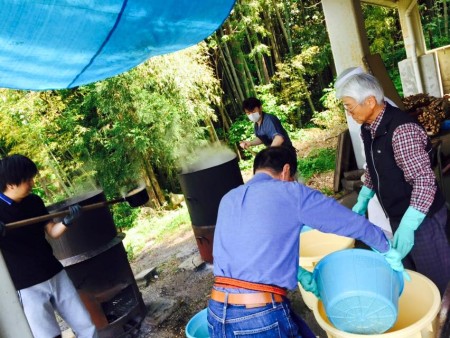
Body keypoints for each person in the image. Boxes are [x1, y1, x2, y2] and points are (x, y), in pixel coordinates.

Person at [208, 146, 406, 337]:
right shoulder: (291, 193)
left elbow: (250, 248)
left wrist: (298, 272)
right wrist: (386, 248)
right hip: (258, 316)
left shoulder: (228, 199)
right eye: (293, 177)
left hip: (216, 312)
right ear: (286, 171)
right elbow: (352, 224)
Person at [336, 72, 450, 296]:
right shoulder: (368, 128)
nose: (348, 112)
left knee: (438, 281)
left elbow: (424, 181)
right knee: (414, 277)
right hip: (398, 215)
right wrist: (363, 198)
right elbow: (373, 167)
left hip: (423, 219)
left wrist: (409, 224)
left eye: (349, 106)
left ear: (369, 101)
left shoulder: (401, 130)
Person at [0, 154, 98, 338]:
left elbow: (52, 231)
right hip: (27, 285)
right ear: (11, 183)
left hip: (54, 272)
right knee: (47, 335)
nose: (32, 183)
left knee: (85, 324)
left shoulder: (34, 201)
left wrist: (67, 221)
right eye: (28, 179)